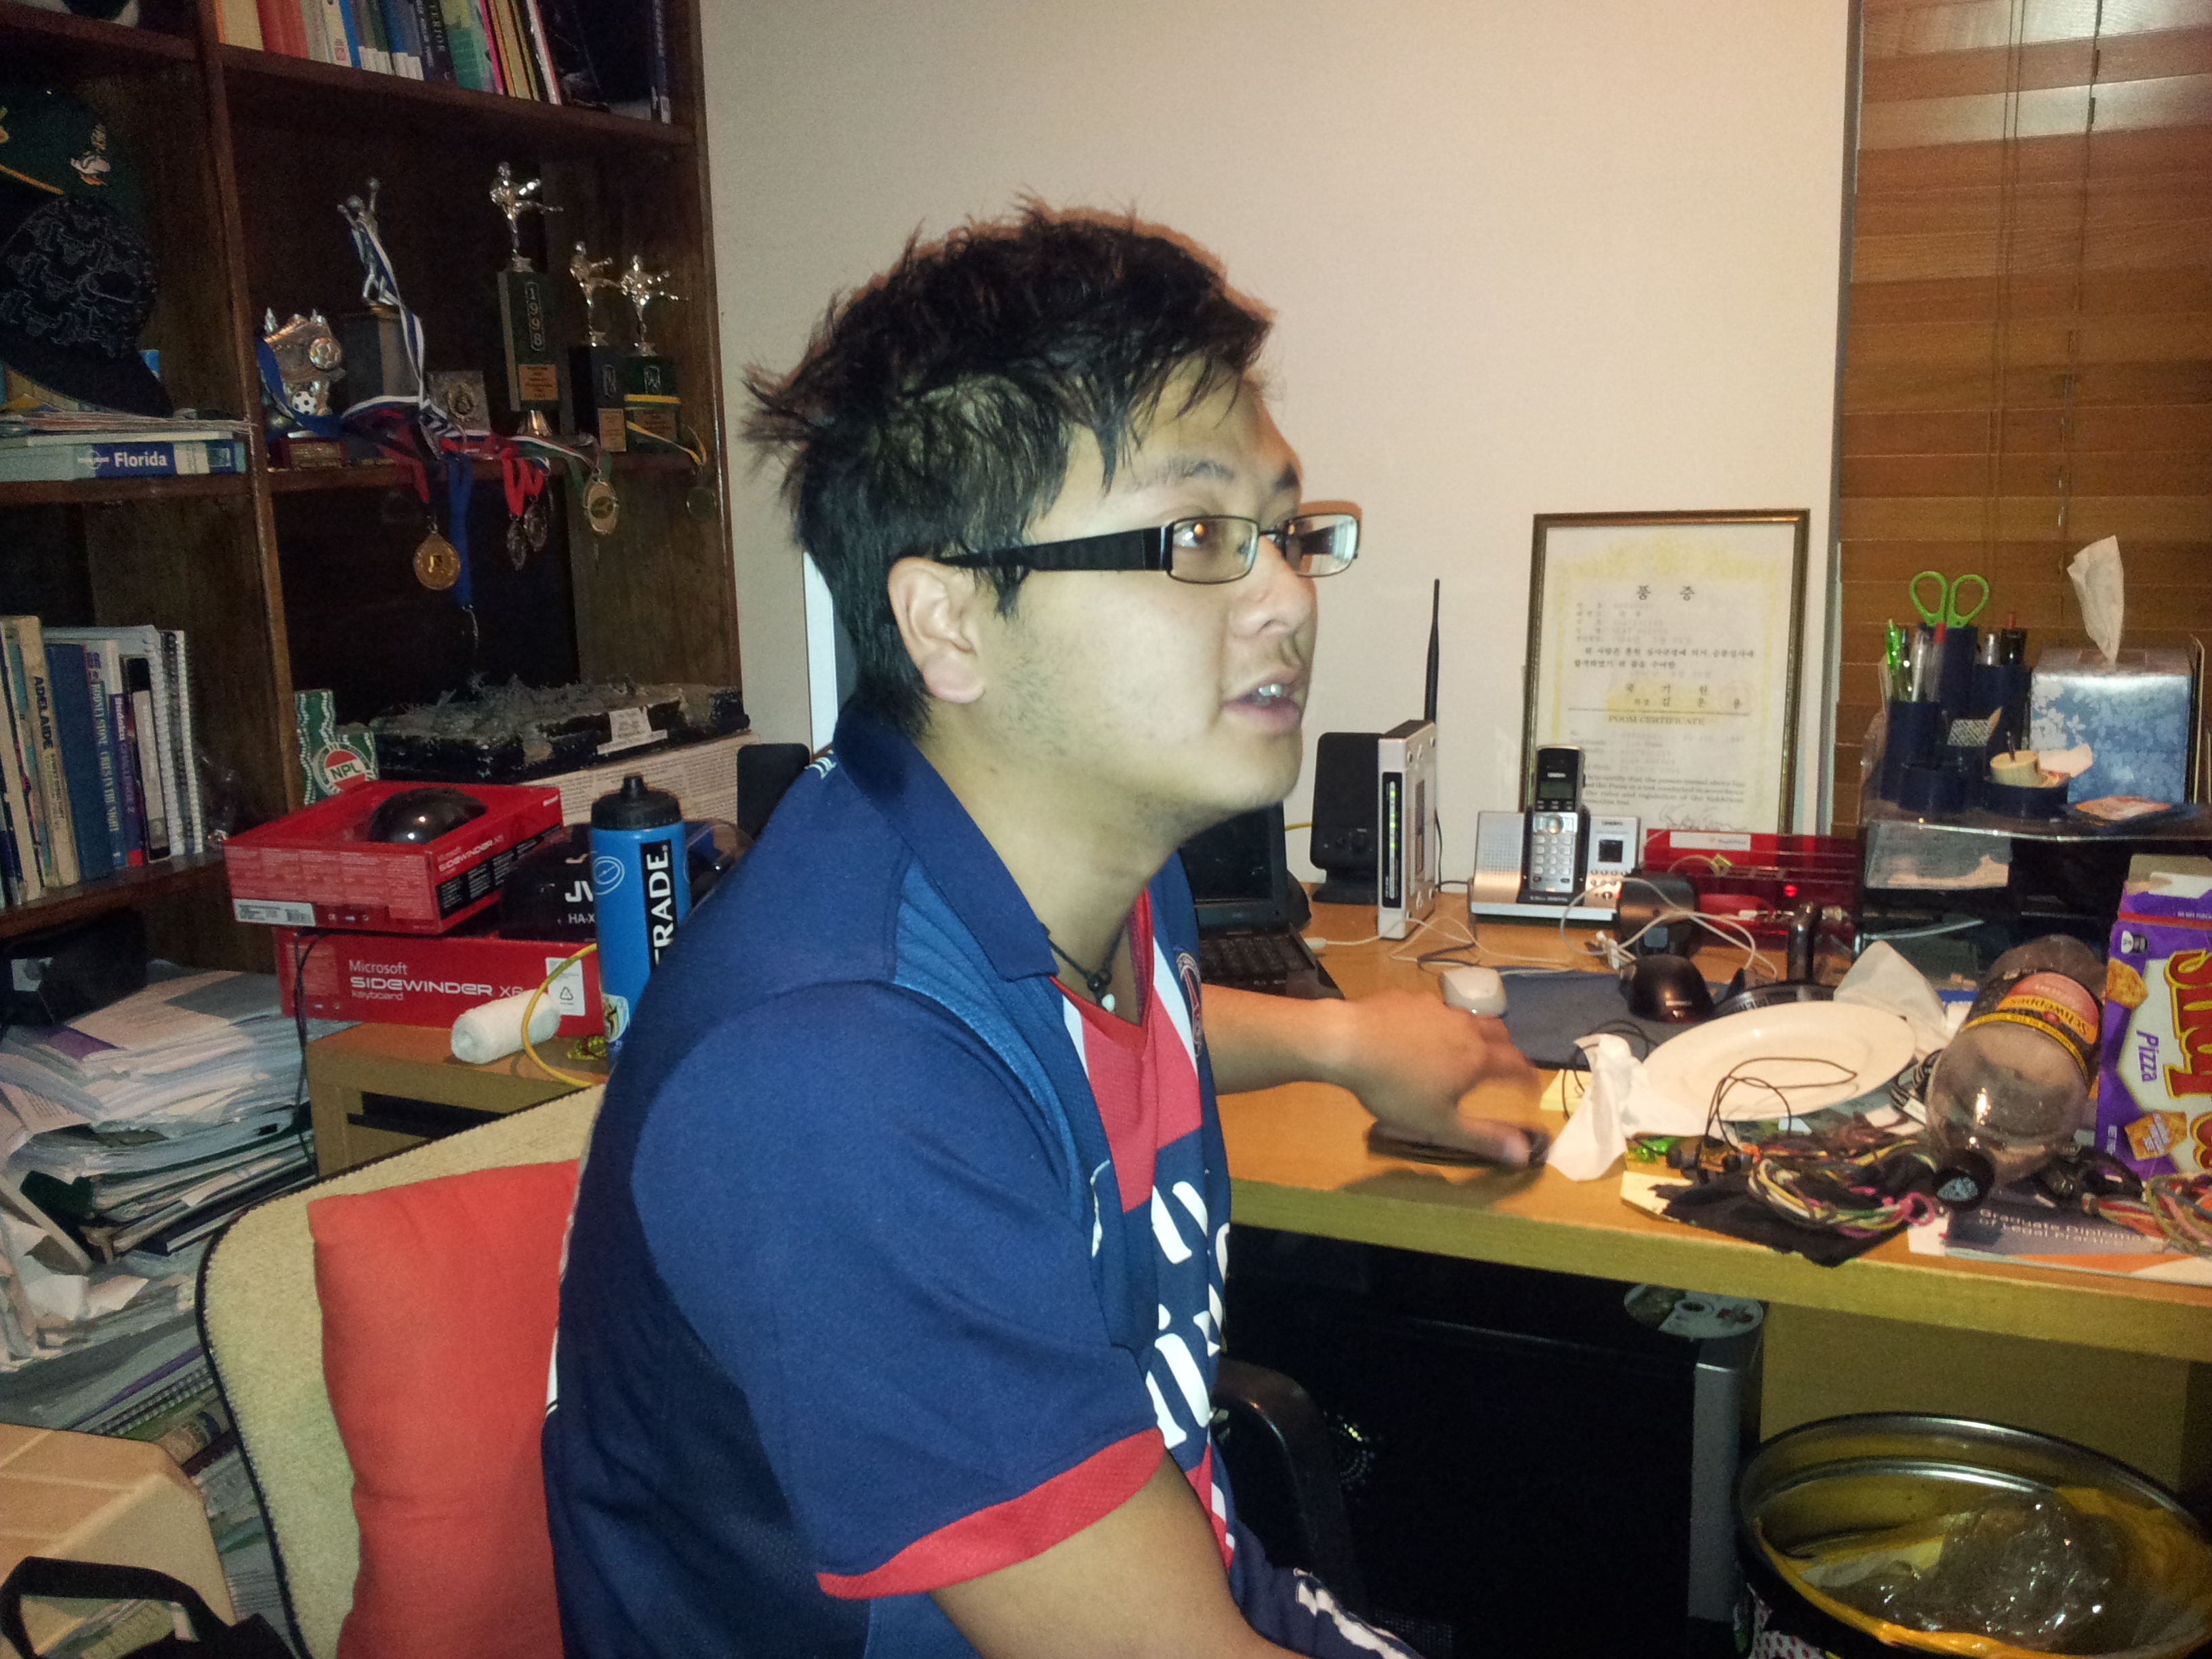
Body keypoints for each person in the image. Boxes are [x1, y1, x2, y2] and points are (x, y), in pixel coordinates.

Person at [542, 206, 1541, 1658]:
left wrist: (1342, 1040)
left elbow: (1057, 1049)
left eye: (1282, 531)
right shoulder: (829, 1084)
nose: (1285, 594)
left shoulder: (1081, 863)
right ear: (949, 621)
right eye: (1199, 535)